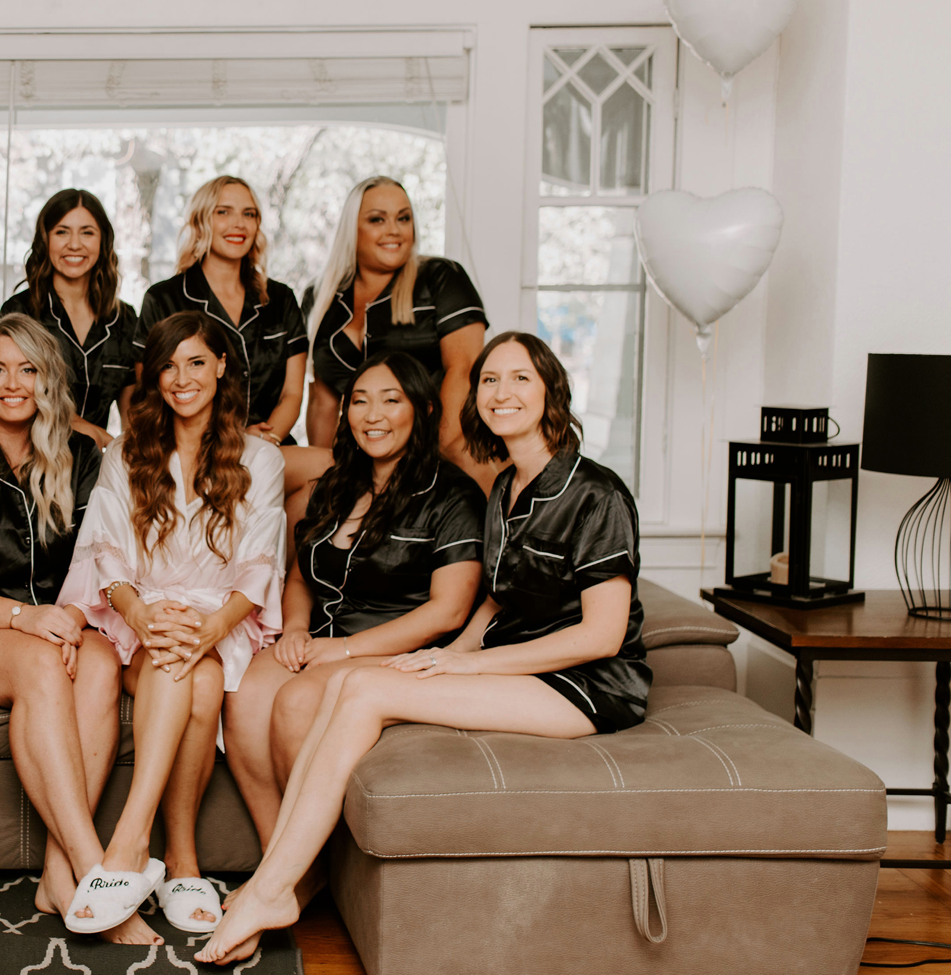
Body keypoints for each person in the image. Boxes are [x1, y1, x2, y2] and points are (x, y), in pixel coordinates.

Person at [198, 331, 649, 965]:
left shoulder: (596, 492)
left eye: (520, 378)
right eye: (489, 379)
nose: (501, 392)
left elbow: (601, 636)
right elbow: (499, 598)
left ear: (551, 391)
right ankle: (280, 881)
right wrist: (451, 650)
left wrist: (466, 660)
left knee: (362, 683)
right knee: (361, 684)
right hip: (517, 665)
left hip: (591, 687)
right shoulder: (507, 490)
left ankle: (271, 888)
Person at [0, 315, 156, 945]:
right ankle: (91, 868)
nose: (12, 383)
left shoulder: (82, 456)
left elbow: (99, 557)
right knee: (42, 665)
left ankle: (54, 874)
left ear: (48, 380)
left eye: (27, 369)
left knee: (102, 664)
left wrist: (73, 616)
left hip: (66, 620)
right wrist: (28, 619)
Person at [57, 311, 285, 938]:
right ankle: (170, 858)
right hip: (139, 612)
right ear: (152, 376)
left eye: (195, 362)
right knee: (182, 666)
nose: (181, 377)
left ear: (220, 368)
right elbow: (106, 554)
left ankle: (137, 848)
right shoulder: (126, 451)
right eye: (167, 364)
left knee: (202, 673)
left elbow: (259, 565)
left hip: (222, 618)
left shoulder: (262, 458)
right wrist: (142, 614)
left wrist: (208, 629)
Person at [221, 351, 483, 846]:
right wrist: (296, 628)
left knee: (297, 702)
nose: (372, 414)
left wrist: (341, 651)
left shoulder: (453, 495)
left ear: (422, 410)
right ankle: (283, 853)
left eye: (391, 400)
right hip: (322, 639)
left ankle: (299, 861)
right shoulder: (337, 483)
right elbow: (301, 576)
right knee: (244, 694)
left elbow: (446, 611)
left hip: (398, 652)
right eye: (359, 401)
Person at [137, 176, 329, 493]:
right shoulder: (164, 298)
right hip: (192, 448)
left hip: (269, 442)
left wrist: (266, 439)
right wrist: (229, 439)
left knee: (332, 470)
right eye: (223, 212)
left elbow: (293, 394)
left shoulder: (280, 299)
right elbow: (148, 390)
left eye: (249, 214)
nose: (238, 224)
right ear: (201, 220)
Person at [303, 176, 494, 491]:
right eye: (378, 219)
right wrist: (324, 475)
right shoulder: (320, 294)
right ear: (352, 228)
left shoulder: (442, 277)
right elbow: (324, 399)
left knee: (469, 477)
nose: (394, 230)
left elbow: (463, 370)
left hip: (439, 440)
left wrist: (433, 450)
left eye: (403, 218)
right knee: (296, 487)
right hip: (359, 450)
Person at [0, 189, 139, 450]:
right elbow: (18, 395)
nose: (74, 244)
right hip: (32, 457)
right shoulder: (20, 311)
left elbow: (132, 411)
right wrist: (89, 430)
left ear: (103, 240)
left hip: (97, 466)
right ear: (46, 239)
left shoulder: (125, 318)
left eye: (87, 232)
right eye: (62, 232)